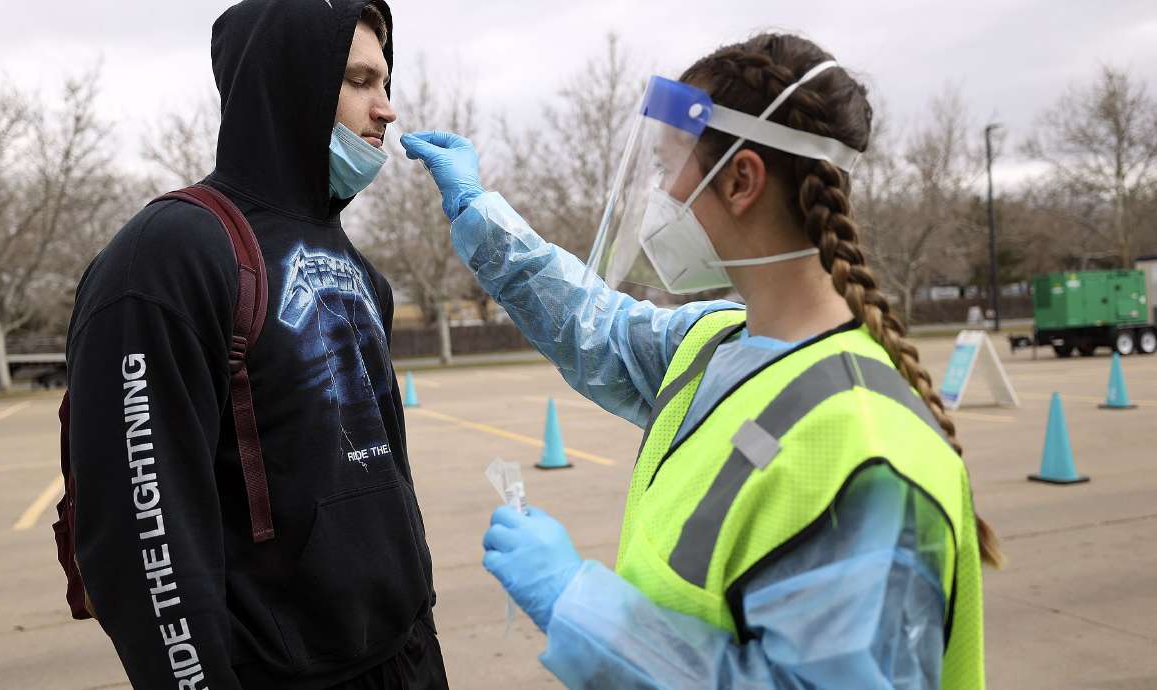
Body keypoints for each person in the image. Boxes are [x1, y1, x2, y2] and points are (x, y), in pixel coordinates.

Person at [402, 33, 1001, 689]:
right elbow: (590, 323)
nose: (660, 192)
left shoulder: (866, 452)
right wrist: (476, 208)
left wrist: (577, 605)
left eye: (667, 169)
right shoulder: (715, 343)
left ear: (741, 179)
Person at [65, 1, 447, 687]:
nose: (386, 109)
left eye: (387, 83)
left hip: (404, 658)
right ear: (289, 82)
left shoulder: (364, 274)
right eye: (360, 81)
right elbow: (141, 531)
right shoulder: (171, 256)